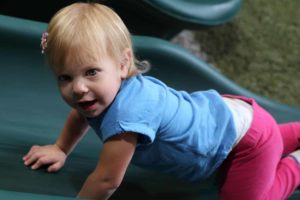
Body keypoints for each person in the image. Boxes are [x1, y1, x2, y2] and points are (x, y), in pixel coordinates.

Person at [22, 2, 300, 200]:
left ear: (123, 63)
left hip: (245, 142)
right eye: (65, 77)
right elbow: (80, 116)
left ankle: (295, 165)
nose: (79, 88)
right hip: (230, 119)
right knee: (269, 139)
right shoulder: (101, 95)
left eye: (91, 72)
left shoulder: (126, 117)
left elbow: (107, 180)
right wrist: (61, 147)